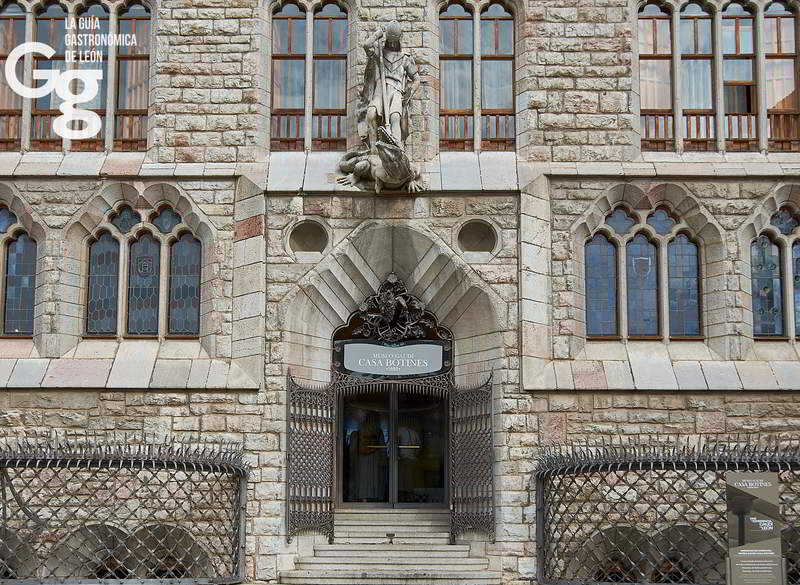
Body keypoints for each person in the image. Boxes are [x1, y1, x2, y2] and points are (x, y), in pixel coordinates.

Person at [361, 21, 419, 151]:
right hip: (380, 89)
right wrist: (377, 34)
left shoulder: (405, 58)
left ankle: (397, 148)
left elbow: (416, 79)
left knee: (395, 118)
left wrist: (409, 93)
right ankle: (374, 151)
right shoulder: (379, 51)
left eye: (395, 41)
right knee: (371, 114)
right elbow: (366, 45)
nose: (392, 44)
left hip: (396, 90)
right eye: (390, 41)